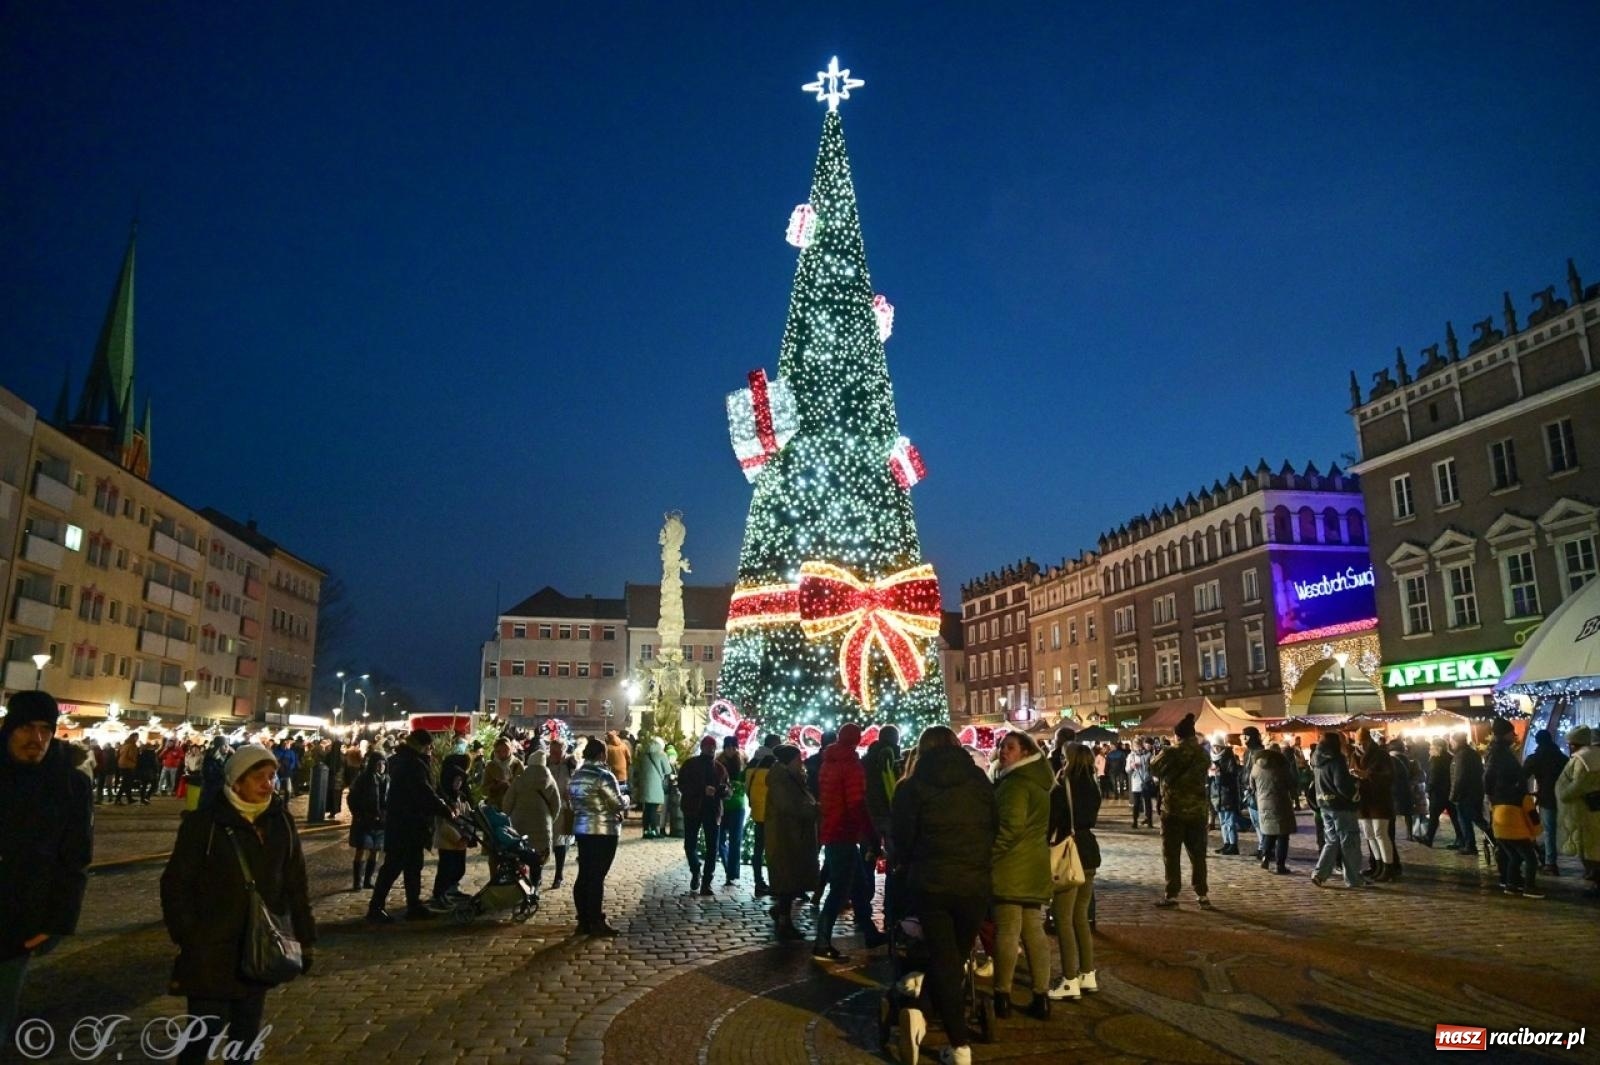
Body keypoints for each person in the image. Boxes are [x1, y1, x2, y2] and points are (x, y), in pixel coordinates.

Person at [160, 743, 315, 1064]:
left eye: (271, 776)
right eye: (258, 776)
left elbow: (296, 884)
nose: (267, 783)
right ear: (236, 781)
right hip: (211, 949)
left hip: (258, 947)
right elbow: (176, 884)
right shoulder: (205, 824)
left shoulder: (280, 821)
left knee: (245, 1040)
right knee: (201, 1037)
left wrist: (304, 937)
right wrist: (188, 934)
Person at [891, 725, 996, 1065]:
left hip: (931, 883)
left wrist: (908, 862)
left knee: (942, 958)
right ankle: (941, 1028)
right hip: (974, 884)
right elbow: (994, 825)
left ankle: (950, 1036)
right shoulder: (979, 781)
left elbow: (902, 838)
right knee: (956, 958)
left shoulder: (911, 787)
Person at [0, 691, 93, 1046]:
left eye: (45, 729)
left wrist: (56, 922)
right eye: (26, 727)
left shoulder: (70, 785)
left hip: (19, 920)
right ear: (9, 728)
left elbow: (76, 859)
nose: (36, 738)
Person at [989, 729, 1052, 1020]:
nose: (1003, 751)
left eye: (1010, 748)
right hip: (1035, 865)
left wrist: (989, 856)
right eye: (1002, 746)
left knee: (1007, 932)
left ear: (1025, 753)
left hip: (1011, 867)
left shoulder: (1015, 785)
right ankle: (1042, 996)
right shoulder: (1039, 782)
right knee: (1033, 932)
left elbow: (1010, 828)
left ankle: (1002, 995)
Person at [815, 723, 885, 960]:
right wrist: (873, 837)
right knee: (840, 891)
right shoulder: (851, 765)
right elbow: (856, 804)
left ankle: (870, 932)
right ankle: (822, 942)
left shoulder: (828, 762)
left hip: (831, 828)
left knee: (858, 886)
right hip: (844, 832)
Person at [367, 729, 451, 923]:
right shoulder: (413, 764)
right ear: (422, 746)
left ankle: (413, 905)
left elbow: (428, 790)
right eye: (429, 747)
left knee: (412, 865)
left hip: (404, 822)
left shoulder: (401, 760)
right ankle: (376, 907)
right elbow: (423, 792)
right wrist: (444, 809)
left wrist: (442, 803)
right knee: (394, 866)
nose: (430, 751)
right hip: (408, 823)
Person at [1047, 742, 1100, 1001]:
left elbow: (1053, 820)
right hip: (1089, 848)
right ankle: (1087, 972)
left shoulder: (1063, 785)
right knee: (1080, 915)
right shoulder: (1093, 784)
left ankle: (1069, 978)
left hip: (1070, 850)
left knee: (1062, 917)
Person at [1151, 713, 1211, 908]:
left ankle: (1172, 894)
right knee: (1198, 855)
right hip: (1198, 811)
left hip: (1173, 810)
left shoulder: (1171, 753)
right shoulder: (1203, 753)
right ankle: (1202, 894)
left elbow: (1153, 768)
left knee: (1171, 854)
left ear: (1178, 735)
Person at [569, 737, 627, 936]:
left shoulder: (576, 775)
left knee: (584, 874)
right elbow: (617, 803)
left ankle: (583, 919)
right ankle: (595, 920)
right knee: (597, 876)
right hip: (604, 831)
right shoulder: (604, 776)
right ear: (602, 755)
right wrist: (627, 798)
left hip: (583, 830)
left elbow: (572, 803)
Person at [764, 744, 820, 940]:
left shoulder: (792, 778)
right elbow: (788, 806)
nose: (801, 763)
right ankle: (784, 921)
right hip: (785, 837)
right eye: (798, 759)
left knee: (792, 881)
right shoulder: (781, 780)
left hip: (794, 836)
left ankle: (781, 912)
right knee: (787, 881)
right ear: (789, 761)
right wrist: (814, 810)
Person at [1483, 717, 1541, 897]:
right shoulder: (1501, 754)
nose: (1514, 736)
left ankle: (1511, 882)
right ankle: (1526, 886)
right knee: (1527, 855)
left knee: (1512, 853)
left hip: (1502, 805)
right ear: (1504, 734)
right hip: (1510, 806)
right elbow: (1490, 778)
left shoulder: (1497, 752)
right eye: (1511, 733)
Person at [1310, 731, 1367, 889]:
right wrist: (1354, 790)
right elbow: (1341, 785)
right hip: (1341, 806)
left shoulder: (1317, 760)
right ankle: (1354, 879)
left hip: (1324, 804)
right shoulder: (1337, 760)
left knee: (1331, 841)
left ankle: (1320, 874)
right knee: (1350, 842)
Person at [502, 744, 562, 883]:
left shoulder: (519, 780)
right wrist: (548, 820)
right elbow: (556, 805)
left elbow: (507, 803)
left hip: (519, 824)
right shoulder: (550, 781)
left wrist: (508, 817)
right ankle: (535, 883)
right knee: (538, 856)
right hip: (542, 825)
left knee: (521, 854)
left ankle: (520, 885)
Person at [677, 736, 729, 895]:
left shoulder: (720, 768)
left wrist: (721, 791)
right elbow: (683, 785)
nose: (711, 749)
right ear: (702, 747)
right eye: (708, 746)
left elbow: (728, 788)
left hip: (712, 811)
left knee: (712, 848)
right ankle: (695, 870)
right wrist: (702, 790)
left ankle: (707, 882)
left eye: (713, 746)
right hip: (693, 809)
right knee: (689, 845)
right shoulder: (690, 764)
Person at [1554, 726, 1600, 894]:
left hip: (1584, 810)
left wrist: (1564, 794)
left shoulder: (1583, 759)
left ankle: (1596, 879)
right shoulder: (1595, 755)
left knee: (1590, 848)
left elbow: (1578, 784)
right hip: (1594, 808)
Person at [431, 739, 473, 909]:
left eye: (460, 781)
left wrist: (468, 834)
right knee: (446, 869)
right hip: (449, 841)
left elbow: (468, 815)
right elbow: (443, 823)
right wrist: (458, 837)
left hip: (461, 840)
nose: (459, 783)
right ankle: (440, 893)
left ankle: (452, 888)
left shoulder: (460, 797)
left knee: (459, 868)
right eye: (456, 780)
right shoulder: (444, 799)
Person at [1352, 727, 1398, 881]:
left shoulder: (1381, 754)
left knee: (1380, 833)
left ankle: (1388, 867)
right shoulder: (1355, 755)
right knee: (1369, 834)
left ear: (1369, 741)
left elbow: (1389, 776)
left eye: (1363, 743)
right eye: (1358, 744)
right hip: (1364, 800)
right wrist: (1353, 775)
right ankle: (1377, 865)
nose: (1360, 747)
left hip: (1379, 800)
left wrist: (1368, 774)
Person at [1522, 729, 1569, 874]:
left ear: (1537, 741)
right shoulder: (1562, 757)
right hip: (1563, 797)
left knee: (1548, 831)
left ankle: (1550, 863)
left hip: (1546, 798)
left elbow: (1522, 775)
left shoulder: (1536, 757)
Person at [1250, 740, 1297, 874]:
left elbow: (1252, 785)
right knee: (1282, 835)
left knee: (1268, 832)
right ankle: (1280, 865)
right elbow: (1291, 783)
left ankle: (1265, 856)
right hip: (1280, 802)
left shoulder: (1256, 767)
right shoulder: (1281, 767)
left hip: (1263, 803)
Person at [347, 751, 388, 892]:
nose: (381, 766)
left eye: (383, 764)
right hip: (365, 820)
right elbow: (352, 798)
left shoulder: (387, 780)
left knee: (375, 850)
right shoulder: (364, 778)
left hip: (381, 821)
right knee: (361, 849)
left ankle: (368, 880)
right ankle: (357, 882)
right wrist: (359, 814)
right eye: (379, 763)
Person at [1449, 732, 1493, 860]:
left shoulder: (1461, 756)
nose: (1451, 744)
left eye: (1452, 741)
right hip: (1475, 792)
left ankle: (1470, 845)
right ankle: (1488, 839)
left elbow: (1459, 778)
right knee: (1476, 818)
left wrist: (1453, 795)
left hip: (1465, 794)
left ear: (1456, 741)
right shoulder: (1472, 753)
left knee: (1467, 819)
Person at [747, 736, 779, 896]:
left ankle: (758, 881)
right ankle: (775, 883)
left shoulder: (752, 762)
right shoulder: (773, 763)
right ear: (773, 745)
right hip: (771, 812)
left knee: (758, 850)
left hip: (757, 811)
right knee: (774, 851)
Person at [716, 736, 749, 886]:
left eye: (733, 747)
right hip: (722, 806)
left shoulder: (743, 762)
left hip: (737, 806)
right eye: (728, 747)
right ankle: (729, 868)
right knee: (720, 840)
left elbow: (745, 783)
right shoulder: (718, 763)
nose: (731, 750)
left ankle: (732, 872)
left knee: (735, 841)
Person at [548, 737, 577, 889]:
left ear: (563, 751)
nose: (554, 754)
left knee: (560, 841)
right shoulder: (546, 763)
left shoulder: (570, 765)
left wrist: (571, 795)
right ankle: (537, 875)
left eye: (558, 751)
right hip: (546, 806)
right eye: (552, 751)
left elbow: (576, 782)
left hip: (563, 807)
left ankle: (558, 874)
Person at [630, 736, 672, 838]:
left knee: (647, 809)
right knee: (653, 809)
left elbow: (637, 769)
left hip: (644, 785)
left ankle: (645, 831)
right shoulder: (661, 754)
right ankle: (654, 831)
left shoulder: (643, 754)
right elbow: (668, 770)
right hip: (656, 786)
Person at [1422, 738, 1459, 847]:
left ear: (1438, 748)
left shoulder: (1435, 759)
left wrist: (1428, 789)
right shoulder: (1451, 757)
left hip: (1438, 792)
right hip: (1449, 791)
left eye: (1432, 747)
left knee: (1434, 816)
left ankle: (1428, 838)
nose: (1430, 750)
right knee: (1454, 817)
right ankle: (1460, 838)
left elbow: (1433, 776)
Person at [1210, 741, 1243, 856]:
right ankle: (1226, 843)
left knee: (1229, 822)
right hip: (1217, 795)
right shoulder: (1212, 759)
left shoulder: (1229, 758)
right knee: (1223, 822)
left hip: (1227, 794)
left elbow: (1232, 776)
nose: (1215, 748)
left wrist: (1219, 774)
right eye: (1214, 746)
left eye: (1217, 746)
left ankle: (1233, 845)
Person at [483, 737, 523, 809]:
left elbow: (523, 786)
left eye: (505, 750)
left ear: (510, 749)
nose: (502, 754)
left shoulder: (517, 764)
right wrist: (495, 786)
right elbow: (483, 789)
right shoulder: (491, 766)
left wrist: (510, 785)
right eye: (498, 751)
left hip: (513, 806)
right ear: (495, 751)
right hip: (495, 806)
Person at [1127, 739, 1154, 828]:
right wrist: (1131, 766)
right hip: (1136, 781)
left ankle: (1150, 822)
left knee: (1147, 802)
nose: (1137, 748)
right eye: (1135, 746)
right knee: (1136, 803)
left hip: (1146, 780)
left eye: (1138, 745)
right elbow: (1127, 769)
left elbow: (1152, 767)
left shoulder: (1148, 754)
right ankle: (1135, 821)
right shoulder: (1131, 755)